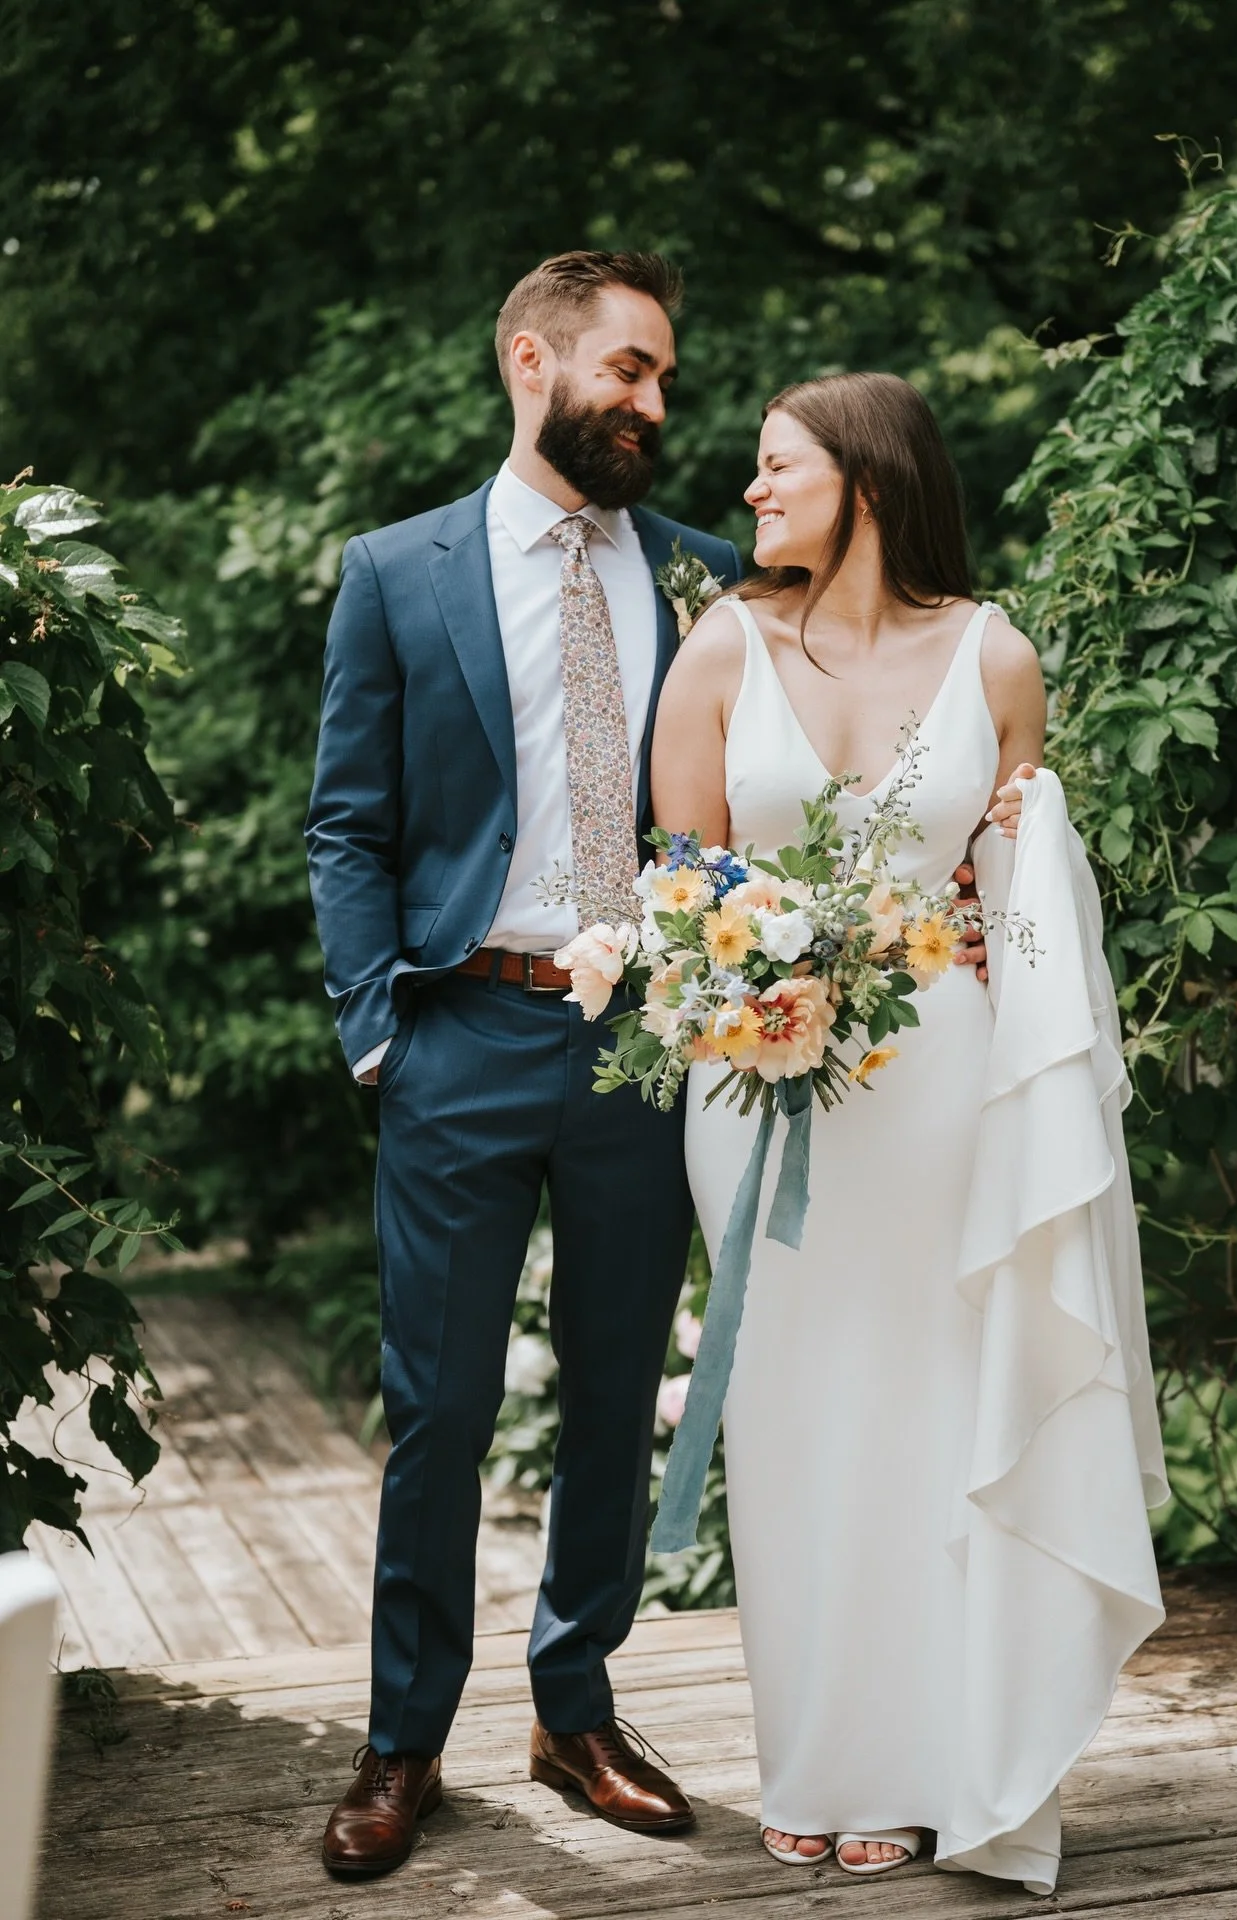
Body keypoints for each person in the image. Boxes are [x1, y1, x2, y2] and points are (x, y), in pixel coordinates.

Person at [650, 371, 1167, 1892]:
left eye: (775, 468)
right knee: (797, 1421)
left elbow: (1024, 896)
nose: (749, 493)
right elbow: (681, 886)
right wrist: (760, 976)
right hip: (761, 1087)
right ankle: (815, 1762)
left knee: (935, 1415)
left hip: (943, 1079)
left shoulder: (995, 653)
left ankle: (945, 1762)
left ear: (866, 478)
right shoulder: (718, 649)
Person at [304, 250, 747, 1877]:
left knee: (618, 1386)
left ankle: (578, 1706)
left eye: (663, 383)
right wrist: (376, 1031)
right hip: (459, 1031)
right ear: (529, 360)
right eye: (628, 370)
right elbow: (345, 821)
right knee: (438, 1406)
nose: (651, 405)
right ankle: (402, 1740)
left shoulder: (702, 574)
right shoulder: (396, 571)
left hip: (642, 1044)